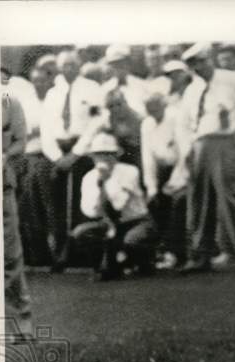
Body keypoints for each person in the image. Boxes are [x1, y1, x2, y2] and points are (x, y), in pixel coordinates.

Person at [178, 42, 235, 272]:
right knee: (199, 199)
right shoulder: (192, 89)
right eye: (193, 64)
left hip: (228, 140)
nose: (198, 67)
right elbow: (183, 124)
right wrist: (187, 149)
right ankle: (200, 255)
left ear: (209, 59)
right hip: (200, 143)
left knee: (232, 196)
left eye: (201, 61)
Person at [40, 48, 104, 269]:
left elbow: (97, 121)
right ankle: (60, 255)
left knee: (82, 201)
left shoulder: (92, 89)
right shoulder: (52, 94)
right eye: (64, 65)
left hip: (82, 151)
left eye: (72, 64)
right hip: (58, 152)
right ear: (59, 67)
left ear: (79, 66)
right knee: (56, 205)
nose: (68, 68)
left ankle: (81, 255)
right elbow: (46, 129)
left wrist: (77, 152)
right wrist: (58, 157)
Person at [72, 131, 156, 280]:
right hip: (108, 223)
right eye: (99, 154)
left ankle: (141, 262)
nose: (104, 158)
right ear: (92, 156)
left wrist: (105, 182)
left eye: (108, 153)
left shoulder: (130, 172)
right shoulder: (89, 177)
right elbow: (91, 211)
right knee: (81, 233)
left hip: (135, 221)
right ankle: (102, 266)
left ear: (116, 155)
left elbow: (118, 206)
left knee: (132, 240)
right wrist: (100, 185)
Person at [14, 64, 55, 265]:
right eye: (35, 80)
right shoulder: (27, 103)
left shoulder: (56, 100)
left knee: (38, 196)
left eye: (42, 80)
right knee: (24, 200)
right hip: (28, 155)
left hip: (50, 155)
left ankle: (48, 252)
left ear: (50, 81)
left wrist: (42, 130)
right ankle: (34, 254)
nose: (39, 84)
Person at [140, 92, 187, 266]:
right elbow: (148, 157)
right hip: (162, 171)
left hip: (183, 168)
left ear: (163, 105)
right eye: (148, 108)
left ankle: (178, 252)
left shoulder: (176, 117)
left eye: (155, 106)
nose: (152, 110)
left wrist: (177, 180)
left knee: (178, 203)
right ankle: (163, 251)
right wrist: (151, 187)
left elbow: (184, 151)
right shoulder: (146, 124)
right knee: (155, 203)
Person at [2, 69, 32, 336]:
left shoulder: (11, 103)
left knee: (10, 254)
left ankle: (21, 320)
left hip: (1, 185)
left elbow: (20, 142)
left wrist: (2, 156)